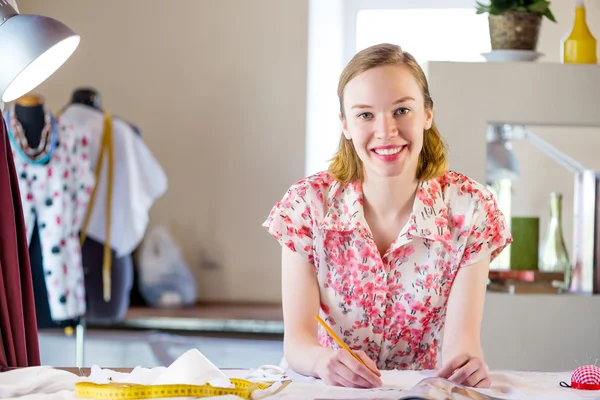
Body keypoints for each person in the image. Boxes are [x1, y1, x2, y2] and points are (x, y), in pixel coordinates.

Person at [263, 43, 513, 390]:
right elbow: (298, 343)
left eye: (401, 110)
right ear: (346, 125)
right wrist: (324, 361)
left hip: (414, 393)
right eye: (365, 115)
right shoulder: (306, 205)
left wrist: (466, 369)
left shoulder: (470, 209)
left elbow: (461, 347)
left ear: (427, 114)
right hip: (322, 389)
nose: (385, 130)